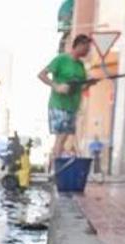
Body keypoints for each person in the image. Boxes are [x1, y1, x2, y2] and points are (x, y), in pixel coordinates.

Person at [37, 34, 95, 173]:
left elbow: (80, 87)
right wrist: (56, 86)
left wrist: (89, 84)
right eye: (86, 48)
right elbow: (41, 75)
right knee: (61, 137)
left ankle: (53, 168)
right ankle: (55, 171)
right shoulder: (61, 60)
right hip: (59, 104)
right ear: (79, 45)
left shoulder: (80, 65)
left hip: (72, 106)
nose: (88, 51)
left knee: (63, 139)